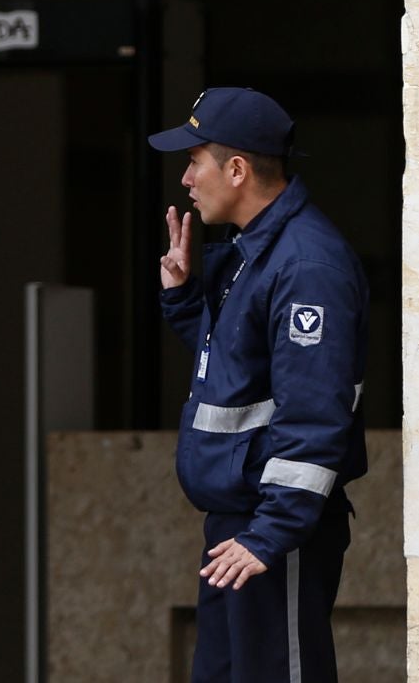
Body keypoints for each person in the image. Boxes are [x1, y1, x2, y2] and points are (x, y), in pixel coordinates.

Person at [151, 87, 368, 683]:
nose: (187, 179)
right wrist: (183, 296)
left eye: (195, 161)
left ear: (238, 169)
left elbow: (315, 414)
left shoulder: (305, 265)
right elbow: (238, 369)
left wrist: (272, 534)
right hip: (241, 526)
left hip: (274, 531)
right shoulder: (254, 253)